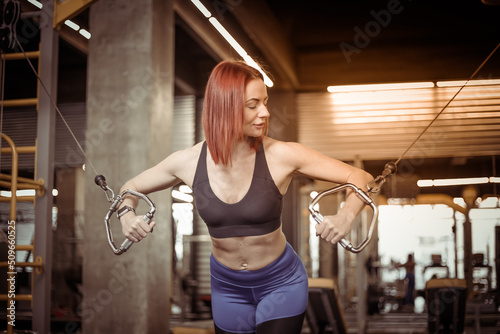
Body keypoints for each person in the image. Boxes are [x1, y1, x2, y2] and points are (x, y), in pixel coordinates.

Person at [117, 60, 373, 334]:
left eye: (265, 102)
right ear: (224, 107)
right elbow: (129, 188)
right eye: (253, 105)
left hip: (280, 282)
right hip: (227, 289)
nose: (265, 112)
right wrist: (126, 214)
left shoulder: (282, 155)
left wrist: (346, 216)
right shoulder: (188, 162)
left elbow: (361, 178)